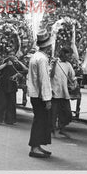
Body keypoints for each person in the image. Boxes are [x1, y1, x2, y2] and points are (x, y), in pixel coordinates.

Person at [27, 29, 54, 159]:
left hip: (34, 93)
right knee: (40, 120)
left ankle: (37, 145)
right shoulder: (42, 59)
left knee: (39, 120)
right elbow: (44, 80)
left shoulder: (35, 56)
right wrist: (47, 99)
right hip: (39, 95)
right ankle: (35, 147)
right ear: (47, 46)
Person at [0, 50, 28, 125]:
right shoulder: (4, 62)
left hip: (12, 84)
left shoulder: (16, 64)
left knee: (11, 103)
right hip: (3, 84)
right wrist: (6, 64)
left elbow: (25, 69)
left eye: (13, 55)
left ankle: (10, 120)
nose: (12, 56)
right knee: (1, 102)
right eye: (10, 55)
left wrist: (18, 61)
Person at [49, 46, 76, 138]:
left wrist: (74, 83)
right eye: (67, 55)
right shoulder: (54, 62)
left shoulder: (68, 65)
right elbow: (50, 75)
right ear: (62, 53)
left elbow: (72, 76)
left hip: (64, 92)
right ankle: (52, 130)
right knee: (53, 113)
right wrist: (54, 64)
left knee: (67, 112)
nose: (68, 58)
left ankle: (61, 127)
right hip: (54, 91)